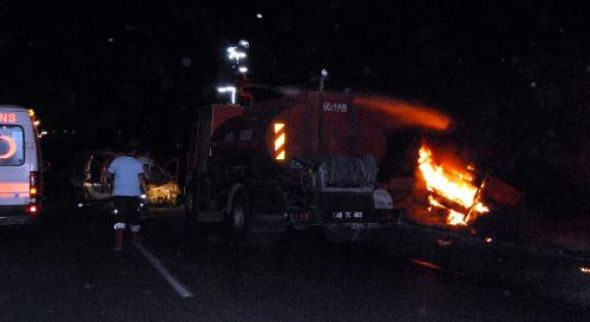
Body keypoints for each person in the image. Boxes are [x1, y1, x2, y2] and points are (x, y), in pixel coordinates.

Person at [107, 144, 148, 251]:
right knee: (134, 216)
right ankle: (134, 240)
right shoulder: (137, 163)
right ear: (134, 152)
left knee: (120, 217)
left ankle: (119, 244)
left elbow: (108, 175)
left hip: (119, 194)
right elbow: (141, 180)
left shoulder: (116, 161)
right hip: (134, 194)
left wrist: (114, 181)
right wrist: (147, 194)